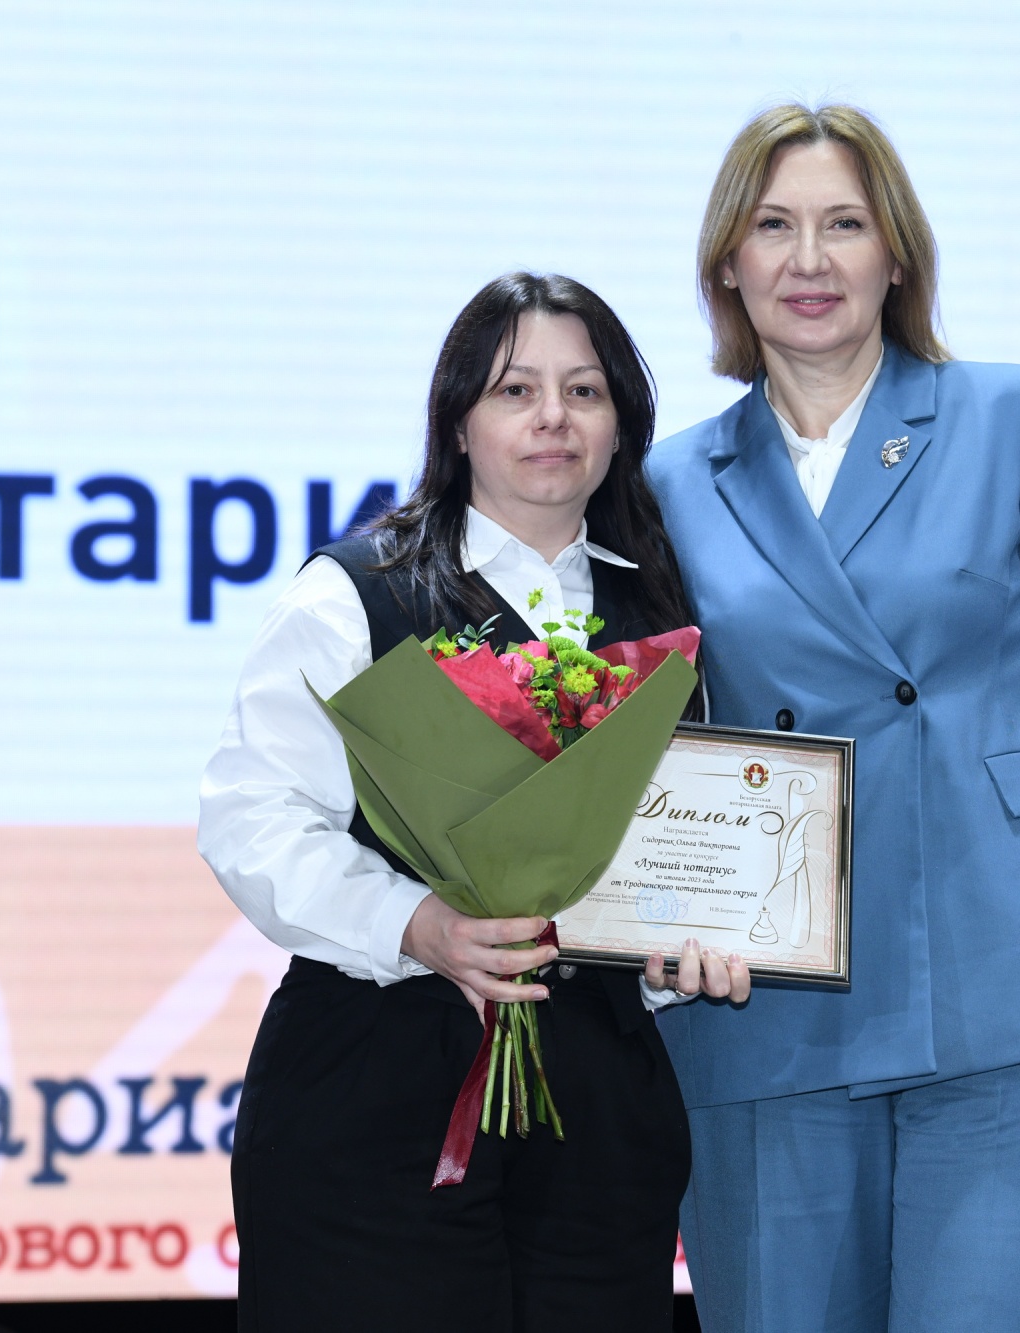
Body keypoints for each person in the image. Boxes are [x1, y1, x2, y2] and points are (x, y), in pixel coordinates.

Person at [645, 104, 1020, 1333]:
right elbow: (645, 747)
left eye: (843, 224)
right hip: (767, 1009)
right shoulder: (669, 479)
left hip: (1006, 977)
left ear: (896, 255)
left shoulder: (1010, 415)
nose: (808, 260)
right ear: (725, 263)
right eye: (772, 226)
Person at [199, 272, 749, 1332]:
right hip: (377, 1084)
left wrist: (685, 953)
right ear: (457, 420)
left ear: (622, 424)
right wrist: (419, 923)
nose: (554, 418)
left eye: (584, 391)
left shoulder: (668, 611)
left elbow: (685, 842)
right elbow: (250, 818)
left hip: (599, 1113)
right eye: (515, 390)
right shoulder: (356, 593)